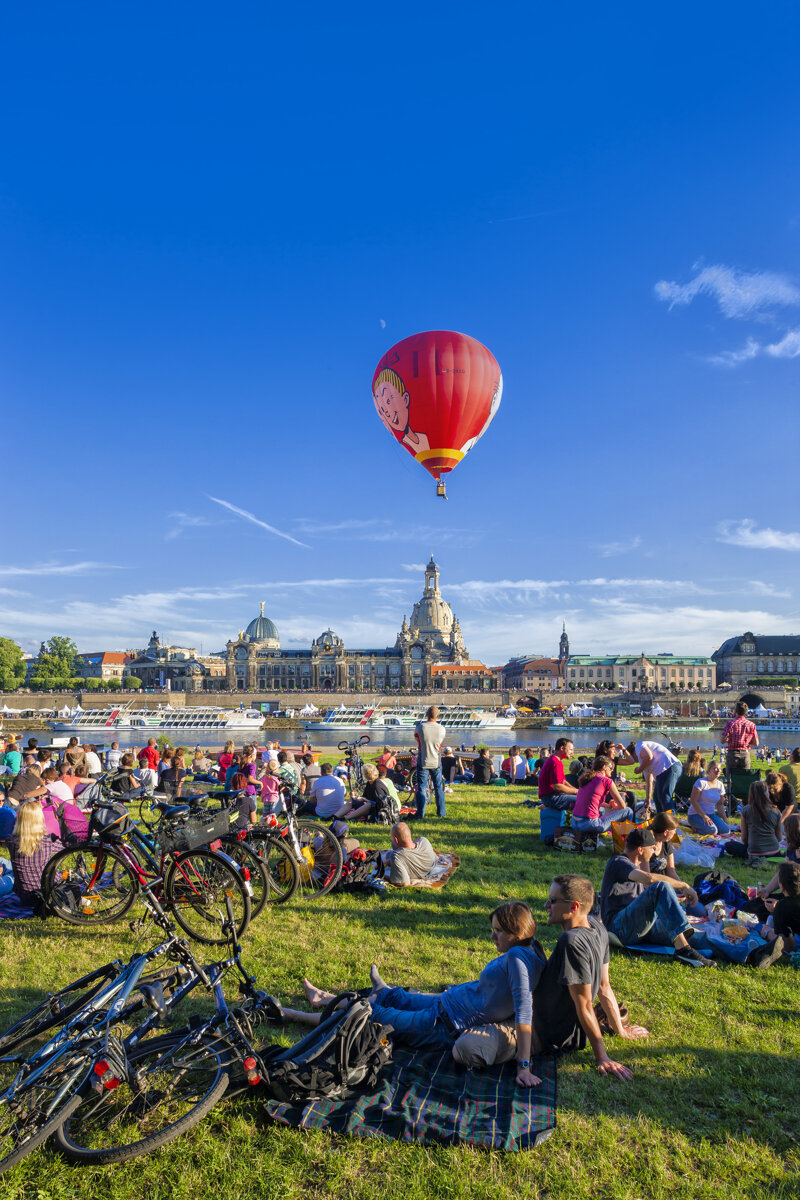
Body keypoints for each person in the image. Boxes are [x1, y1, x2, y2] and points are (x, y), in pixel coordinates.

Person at [282, 902, 547, 1087]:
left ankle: (298, 1014)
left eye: (498, 931)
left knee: (365, 1015)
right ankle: (331, 998)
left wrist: (524, 1066)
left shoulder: (517, 960)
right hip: (448, 1002)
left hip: (444, 1023)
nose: (492, 936)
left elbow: (525, 1011)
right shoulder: (534, 948)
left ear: (517, 933)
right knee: (396, 996)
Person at [532, 874, 646, 1079]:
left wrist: (602, 1057)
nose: (546, 905)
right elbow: (604, 987)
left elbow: (584, 1004)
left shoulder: (571, 942)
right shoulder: (597, 927)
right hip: (569, 1033)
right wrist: (620, 1030)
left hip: (545, 1033)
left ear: (574, 907)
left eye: (553, 901)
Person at [599, 828, 716, 966]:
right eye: (652, 848)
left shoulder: (633, 868)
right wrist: (683, 885)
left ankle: (745, 953)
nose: (654, 852)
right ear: (640, 850)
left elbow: (641, 900)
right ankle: (683, 950)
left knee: (699, 938)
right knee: (660, 886)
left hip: (638, 926)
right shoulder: (618, 862)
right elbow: (650, 880)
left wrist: (669, 901)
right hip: (619, 928)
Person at [9, 801, 61, 907]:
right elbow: (69, 845)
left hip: (25, 897)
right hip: (46, 894)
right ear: (39, 820)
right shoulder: (48, 841)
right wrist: (60, 820)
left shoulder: (10, 842)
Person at [571, 755, 634, 835]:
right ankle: (625, 840)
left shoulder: (586, 778)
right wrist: (616, 806)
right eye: (611, 768)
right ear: (604, 767)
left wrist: (608, 805)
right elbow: (622, 806)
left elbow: (591, 801)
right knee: (628, 811)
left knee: (599, 813)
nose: (612, 771)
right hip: (590, 824)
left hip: (575, 823)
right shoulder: (606, 781)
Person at [723, 780, 783, 859]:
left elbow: (744, 838)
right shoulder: (776, 812)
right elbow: (779, 838)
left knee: (729, 845)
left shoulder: (746, 810)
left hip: (754, 852)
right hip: (774, 851)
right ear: (766, 794)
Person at [618, 740, 681, 814]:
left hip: (670, 766)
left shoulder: (639, 746)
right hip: (663, 771)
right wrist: (648, 798)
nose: (634, 762)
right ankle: (661, 820)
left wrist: (639, 769)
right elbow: (649, 782)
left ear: (631, 754)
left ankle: (671, 822)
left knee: (664, 796)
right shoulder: (644, 762)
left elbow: (649, 756)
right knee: (657, 797)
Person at [413, 705, 446, 819]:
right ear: (437, 716)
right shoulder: (442, 729)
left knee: (421, 788)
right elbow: (440, 744)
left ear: (426, 714)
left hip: (423, 760)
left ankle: (420, 813)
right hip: (436, 761)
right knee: (438, 787)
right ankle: (441, 813)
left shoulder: (420, 727)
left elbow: (417, 739)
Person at [762, 862, 800, 952]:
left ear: (782, 887)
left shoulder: (782, 907)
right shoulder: (784, 905)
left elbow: (789, 947)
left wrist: (767, 932)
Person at [688, 760, 730, 834]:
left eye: (719, 769)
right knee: (713, 830)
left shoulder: (720, 785)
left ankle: (701, 828)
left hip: (711, 815)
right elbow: (693, 801)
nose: (718, 771)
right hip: (695, 815)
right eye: (715, 768)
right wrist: (704, 816)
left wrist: (725, 820)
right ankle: (695, 827)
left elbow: (720, 805)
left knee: (726, 830)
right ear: (709, 769)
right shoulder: (701, 782)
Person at [388, 821, 437, 885]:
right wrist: (387, 861)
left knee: (393, 845)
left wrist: (381, 876)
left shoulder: (396, 857)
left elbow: (404, 883)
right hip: (429, 867)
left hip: (418, 874)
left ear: (396, 840)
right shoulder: (424, 841)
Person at [538, 738, 578, 811]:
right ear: (562, 748)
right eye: (571, 750)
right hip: (551, 798)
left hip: (551, 797)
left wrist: (577, 791)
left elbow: (563, 782)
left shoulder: (556, 760)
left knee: (581, 797)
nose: (572, 752)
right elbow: (558, 787)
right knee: (584, 801)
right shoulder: (555, 762)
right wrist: (577, 792)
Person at [722, 701, 759, 772]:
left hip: (732, 754)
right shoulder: (751, 725)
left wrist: (729, 740)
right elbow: (756, 743)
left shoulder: (730, 723)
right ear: (746, 712)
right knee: (744, 778)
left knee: (731, 777)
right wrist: (745, 742)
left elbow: (722, 741)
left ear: (735, 711)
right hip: (745, 754)